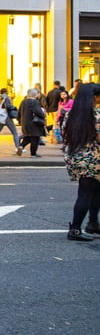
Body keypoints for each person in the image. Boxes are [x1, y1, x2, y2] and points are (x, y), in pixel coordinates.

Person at [61, 82, 100, 241]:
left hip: (76, 157)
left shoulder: (71, 114)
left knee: (95, 190)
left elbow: (64, 134)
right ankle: (75, 229)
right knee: (85, 193)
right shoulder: (96, 114)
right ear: (94, 97)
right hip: (92, 158)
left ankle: (93, 223)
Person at [18, 87, 46, 158]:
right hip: (33, 123)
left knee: (27, 136)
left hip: (25, 122)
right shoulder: (35, 102)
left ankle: (21, 146)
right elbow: (38, 111)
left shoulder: (23, 102)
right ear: (35, 95)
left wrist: (20, 121)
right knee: (35, 138)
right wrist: (43, 115)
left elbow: (18, 113)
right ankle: (33, 153)